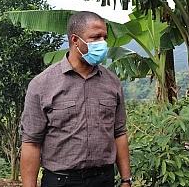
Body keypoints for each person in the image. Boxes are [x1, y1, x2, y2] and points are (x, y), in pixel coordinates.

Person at [20, 11, 131, 187]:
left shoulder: (112, 82)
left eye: (104, 37)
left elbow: (119, 133)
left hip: (103, 179)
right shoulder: (42, 84)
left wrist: (126, 179)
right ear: (75, 40)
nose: (102, 43)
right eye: (95, 37)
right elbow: (31, 142)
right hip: (60, 180)